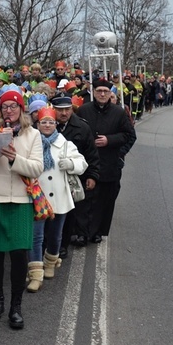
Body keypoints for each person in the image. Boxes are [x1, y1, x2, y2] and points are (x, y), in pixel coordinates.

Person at [0, 85, 43, 330]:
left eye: (13, 106)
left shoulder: (33, 135)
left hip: (21, 202)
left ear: (21, 109)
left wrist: (15, 158)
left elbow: (37, 168)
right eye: (4, 107)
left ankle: (16, 306)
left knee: (18, 256)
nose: (9, 110)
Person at [27, 107, 87, 292]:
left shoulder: (65, 144)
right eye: (43, 122)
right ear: (37, 124)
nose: (47, 125)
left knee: (55, 235)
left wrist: (71, 164)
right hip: (37, 198)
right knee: (35, 236)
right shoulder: (31, 143)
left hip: (59, 198)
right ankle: (36, 273)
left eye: (50, 122)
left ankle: (51, 261)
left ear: (56, 125)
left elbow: (82, 163)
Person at [76, 78, 137, 244]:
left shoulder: (119, 113)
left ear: (111, 93)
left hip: (109, 163)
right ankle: (82, 232)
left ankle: (98, 232)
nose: (102, 94)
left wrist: (110, 142)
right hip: (87, 163)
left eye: (105, 91)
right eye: (99, 91)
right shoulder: (83, 110)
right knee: (85, 200)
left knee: (104, 200)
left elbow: (130, 135)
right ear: (93, 93)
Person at [51, 96, 99, 253]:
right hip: (50, 178)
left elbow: (91, 154)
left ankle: (62, 246)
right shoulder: (45, 125)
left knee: (68, 213)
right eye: (60, 110)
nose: (64, 113)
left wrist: (92, 175)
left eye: (67, 109)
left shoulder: (82, 128)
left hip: (72, 178)